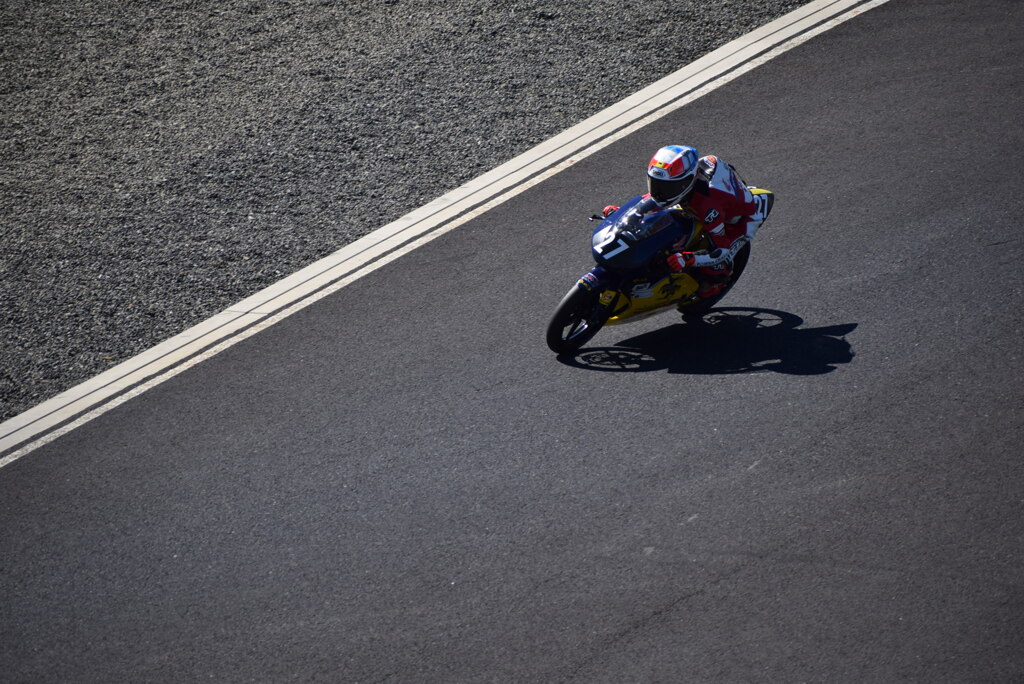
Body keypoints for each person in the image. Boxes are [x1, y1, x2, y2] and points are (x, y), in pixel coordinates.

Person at [602, 144, 766, 299]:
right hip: (707, 198)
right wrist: (624, 213)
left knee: (718, 264)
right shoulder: (679, 185)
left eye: (667, 187)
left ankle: (717, 282)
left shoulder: (707, 208)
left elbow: (721, 250)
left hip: (739, 221)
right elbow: (653, 200)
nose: (659, 192)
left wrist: (689, 259)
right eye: (656, 184)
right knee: (662, 224)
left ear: (687, 182)